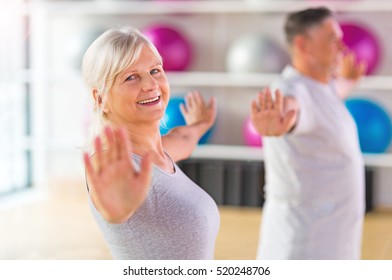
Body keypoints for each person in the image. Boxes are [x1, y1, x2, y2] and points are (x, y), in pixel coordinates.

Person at [81, 26, 219, 260]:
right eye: (131, 77)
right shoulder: (112, 164)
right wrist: (118, 207)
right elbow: (114, 209)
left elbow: (183, 139)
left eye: (155, 70)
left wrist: (199, 126)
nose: (151, 84)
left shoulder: (161, 152)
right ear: (101, 98)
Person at [250, 7, 367, 259]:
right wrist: (280, 121)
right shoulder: (292, 89)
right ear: (303, 45)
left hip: (333, 241)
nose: (342, 47)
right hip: (304, 246)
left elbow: (334, 92)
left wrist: (348, 81)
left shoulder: (322, 87)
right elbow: (291, 107)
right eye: (332, 39)